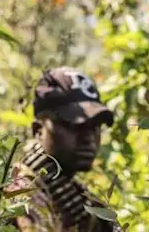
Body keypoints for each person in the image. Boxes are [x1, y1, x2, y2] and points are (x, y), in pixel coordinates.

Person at [7, 67, 118, 232]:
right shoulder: (21, 193)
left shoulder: (82, 201)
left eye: (95, 126)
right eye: (74, 124)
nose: (88, 137)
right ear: (38, 130)